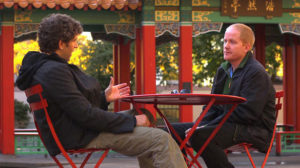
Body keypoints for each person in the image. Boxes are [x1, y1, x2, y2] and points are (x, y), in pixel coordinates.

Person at [16, 13, 187, 168]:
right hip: (82, 135)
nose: (76, 45)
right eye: (74, 41)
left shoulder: (42, 69)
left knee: (142, 115)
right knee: (161, 139)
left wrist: (104, 98)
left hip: (77, 129)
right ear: (61, 44)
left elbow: (73, 107)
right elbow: (86, 115)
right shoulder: (53, 71)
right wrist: (133, 122)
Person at [169, 23, 276, 168]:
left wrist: (202, 128)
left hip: (253, 130)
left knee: (200, 136)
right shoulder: (223, 70)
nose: (226, 46)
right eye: (225, 41)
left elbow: (247, 114)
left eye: (232, 42)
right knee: (167, 132)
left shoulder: (256, 73)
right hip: (225, 125)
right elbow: (212, 107)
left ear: (247, 47)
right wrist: (200, 125)